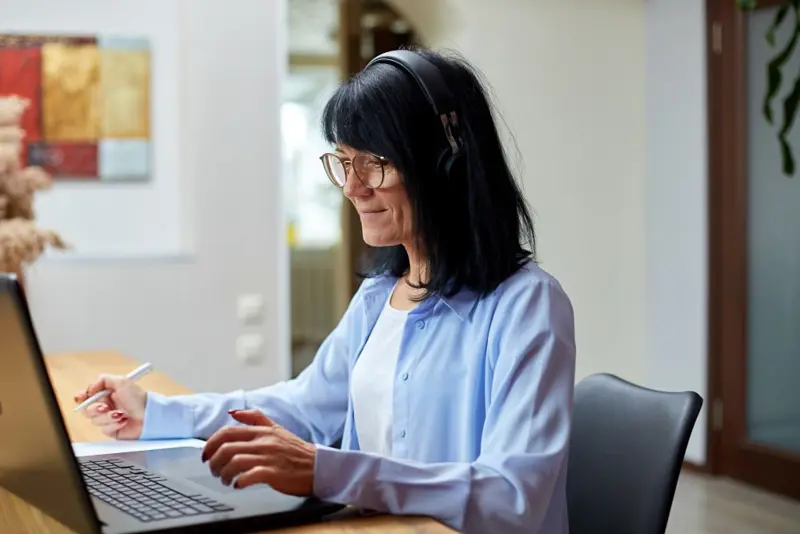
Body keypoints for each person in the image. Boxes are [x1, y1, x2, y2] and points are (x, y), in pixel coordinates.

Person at [74, 47, 576, 534]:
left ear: (446, 163)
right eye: (343, 161)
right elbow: (304, 408)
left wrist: (327, 471)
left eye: (374, 162)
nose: (353, 188)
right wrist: (158, 412)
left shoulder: (528, 306)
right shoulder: (379, 297)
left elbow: (513, 497)